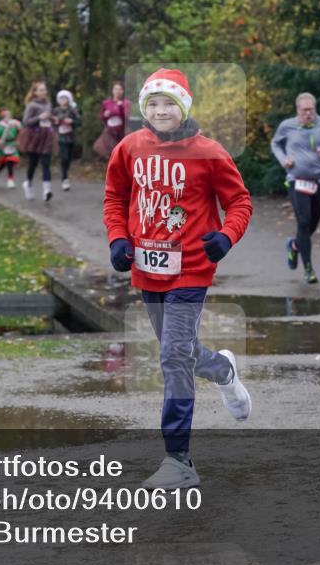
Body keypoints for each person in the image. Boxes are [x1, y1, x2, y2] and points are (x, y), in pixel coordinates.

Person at [103, 68, 254, 489]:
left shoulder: (209, 152)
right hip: (147, 270)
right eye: (153, 103)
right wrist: (118, 239)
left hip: (191, 269)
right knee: (180, 352)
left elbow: (239, 200)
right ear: (143, 109)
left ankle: (179, 461)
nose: (161, 110)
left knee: (172, 357)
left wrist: (226, 236)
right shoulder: (129, 148)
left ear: (183, 106)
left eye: (169, 103)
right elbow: (116, 196)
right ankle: (223, 369)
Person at [270, 93, 320, 284]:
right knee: (303, 222)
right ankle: (309, 269)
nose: (308, 114)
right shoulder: (287, 126)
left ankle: (295, 245)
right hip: (297, 180)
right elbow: (275, 143)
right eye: (304, 110)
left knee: (311, 225)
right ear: (297, 110)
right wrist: (283, 160)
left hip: (319, 180)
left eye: (311, 110)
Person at [20, 80, 57, 202]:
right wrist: (38, 118)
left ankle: (47, 190)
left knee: (46, 162)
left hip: (46, 136)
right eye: (41, 90)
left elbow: (48, 118)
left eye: (44, 90)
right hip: (34, 137)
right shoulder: (31, 105)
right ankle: (28, 184)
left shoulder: (48, 104)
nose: (43, 92)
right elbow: (25, 121)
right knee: (33, 163)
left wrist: (53, 119)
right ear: (35, 92)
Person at [93, 81, 131, 159]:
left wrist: (119, 108)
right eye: (116, 89)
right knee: (105, 150)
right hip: (110, 131)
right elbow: (101, 116)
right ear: (112, 91)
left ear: (123, 91)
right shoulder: (106, 103)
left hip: (123, 131)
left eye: (120, 89)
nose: (117, 91)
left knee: (124, 151)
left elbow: (126, 116)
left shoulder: (126, 103)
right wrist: (105, 115)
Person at [52, 89, 81, 191]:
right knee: (64, 157)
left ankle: (66, 173)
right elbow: (51, 122)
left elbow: (79, 121)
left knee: (68, 158)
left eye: (65, 98)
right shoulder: (55, 110)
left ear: (68, 99)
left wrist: (72, 121)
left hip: (71, 137)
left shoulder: (72, 110)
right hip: (60, 137)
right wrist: (55, 122)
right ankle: (64, 178)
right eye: (61, 98)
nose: (63, 100)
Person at [0, 108, 21, 189]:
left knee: (10, 161)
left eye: (10, 117)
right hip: (2, 146)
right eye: (6, 117)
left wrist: (18, 141)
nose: (9, 119)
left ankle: (10, 180)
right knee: (3, 163)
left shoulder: (14, 127)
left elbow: (18, 134)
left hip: (11, 145)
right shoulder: (0, 128)